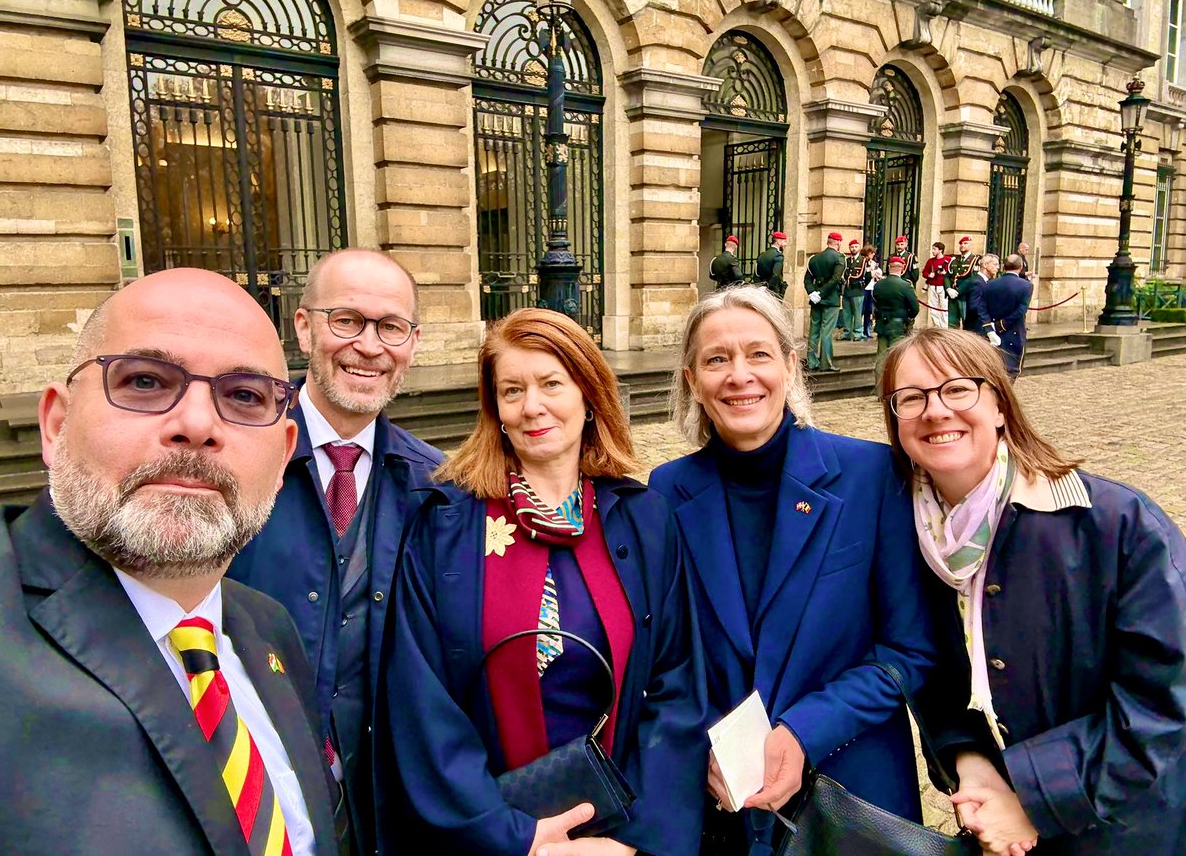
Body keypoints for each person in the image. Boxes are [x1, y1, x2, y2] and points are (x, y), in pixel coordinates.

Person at [0, 269, 344, 854]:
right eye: (146, 381)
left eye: (244, 396)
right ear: (56, 423)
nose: (197, 425)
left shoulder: (268, 629)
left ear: (282, 459)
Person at [380, 308, 707, 855]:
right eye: (512, 390)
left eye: (551, 383)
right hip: (489, 834)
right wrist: (515, 840)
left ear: (588, 393)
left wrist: (636, 839)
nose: (532, 406)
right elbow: (420, 705)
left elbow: (677, 689)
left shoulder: (644, 519)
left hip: (618, 832)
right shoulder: (444, 526)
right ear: (496, 410)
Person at [649, 285, 936, 855]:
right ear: (692, 380)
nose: (739, 375)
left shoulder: (871, 475)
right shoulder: (666, 491)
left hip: (850, 788)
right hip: (725, 797)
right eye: (717, 359)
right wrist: (704, 740)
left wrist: (806, 730)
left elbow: (909, 651)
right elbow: (669, 653)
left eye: (758, 353)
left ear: (789, 365)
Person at [878, 328, 1186, 855]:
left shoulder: (1117, 524)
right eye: (912, 397)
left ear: (999, 404)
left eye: (958, 389)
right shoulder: (910, 536)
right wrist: (971, 766)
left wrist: (1032, 800)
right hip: (994, 825)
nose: (936, 410)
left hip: (1120, 830)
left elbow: (1164, 701)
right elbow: (928, 673)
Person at [227, 249, 440, 852]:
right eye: (346, 320)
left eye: (390, 327)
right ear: (303, 327)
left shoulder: (436, 489)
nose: (369, 346)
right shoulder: (236, 465)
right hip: (248, 797)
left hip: (384, 808)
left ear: (412, 342)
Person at [982, 254, 1033, 379]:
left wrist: (990, 326)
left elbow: (983, 309)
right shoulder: (1026, 285)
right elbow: (1021, 311)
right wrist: (1002, 325)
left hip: (992, 331)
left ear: (1004, 267)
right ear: (1020, 267)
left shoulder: (990, 284)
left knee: (993, 369)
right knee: (1011, 371)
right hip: (1013, 331)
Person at [804, 231, 845, 372]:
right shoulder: (839, 258)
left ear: (828, 242)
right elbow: (835, 279)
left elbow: (807, 279)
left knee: (814, 331)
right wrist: (821, 294)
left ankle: (811, 362)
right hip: (831, 299)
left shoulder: (814, 258)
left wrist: (812, 293)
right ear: (838, 243)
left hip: (816, 300)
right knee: (826, 332)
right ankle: (826, 363)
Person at [873, 254, 920, 358]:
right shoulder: (905, 285)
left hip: (882, 322)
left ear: (889, 268)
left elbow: (876, 302)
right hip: (898, 324)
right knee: (896, 355)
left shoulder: (878, 285)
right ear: (902, 269)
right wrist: (908, 316)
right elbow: (915, 308)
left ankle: (880, 374)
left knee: (881, 355)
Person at [945, 236, 980, 329]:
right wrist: (948, 289)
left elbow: (973, 278)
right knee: (952, 323)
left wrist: (958, 291)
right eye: (961, 243)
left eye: (965, 243)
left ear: (971, 245)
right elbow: (947, 276)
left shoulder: (975, 260)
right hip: (952, 295)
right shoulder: (954, 260)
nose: (962, 245)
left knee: (966, 322)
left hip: (965, 295)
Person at [963, 253, 1000, 338]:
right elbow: (974, 306)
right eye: (995, 264)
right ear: (985, 265)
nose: (998, 267)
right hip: (976, 329)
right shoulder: (977, 282)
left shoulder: (986, 282)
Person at [840, 238, 869, 341]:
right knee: (846, 313)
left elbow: (868, 275)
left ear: (859, 247)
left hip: (857, 290)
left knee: (857, 313)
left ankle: (858, 333)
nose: (854, 249)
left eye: (856, 247)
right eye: (852, 247)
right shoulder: (847, 261)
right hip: (847, 290)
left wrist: (863, 285)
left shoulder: (864, 260)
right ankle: (847, 333)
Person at [922, 242, 951, 330]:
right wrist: (929, 275)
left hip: (943, 286)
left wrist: (944, 273)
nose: (932, 251)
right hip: (932, 286)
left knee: (944, 307)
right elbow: (924, 272)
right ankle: (936, 326)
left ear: (940, 250)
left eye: (934, 249)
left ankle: (944, 328)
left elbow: (951, 272)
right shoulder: (930, 261)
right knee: (933, 307)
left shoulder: (948, 260)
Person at [755, 231, 789, 296]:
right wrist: (768, 288)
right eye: (784, 241)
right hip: (773, 291)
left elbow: (756, 274)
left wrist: (761, 287)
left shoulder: (762, 255)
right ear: (778, 242)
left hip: (761, 290)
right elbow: (776, 274)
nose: (785, 244)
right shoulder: (778, 256)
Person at [861, 244, 882, 339]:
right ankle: (860, 329)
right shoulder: (862, 262)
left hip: (871, 288)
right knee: (861, 310)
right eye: (871, 253)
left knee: (869, 310)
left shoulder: (873, 263)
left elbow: (878, 273)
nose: (873, 255)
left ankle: (867, 329)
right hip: (863, 289)